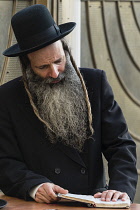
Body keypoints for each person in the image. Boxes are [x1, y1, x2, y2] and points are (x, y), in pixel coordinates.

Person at [0, 4, 138, 204]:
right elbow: (5, 162)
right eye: (43, 66)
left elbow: (120, 145)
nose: (55, 73)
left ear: (66, 51)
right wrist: (33, 186)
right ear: (27, 65)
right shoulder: (7, 97)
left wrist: (119, 189)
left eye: (58, 60)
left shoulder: (95, 83)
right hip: (38, 206)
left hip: (94, 201)